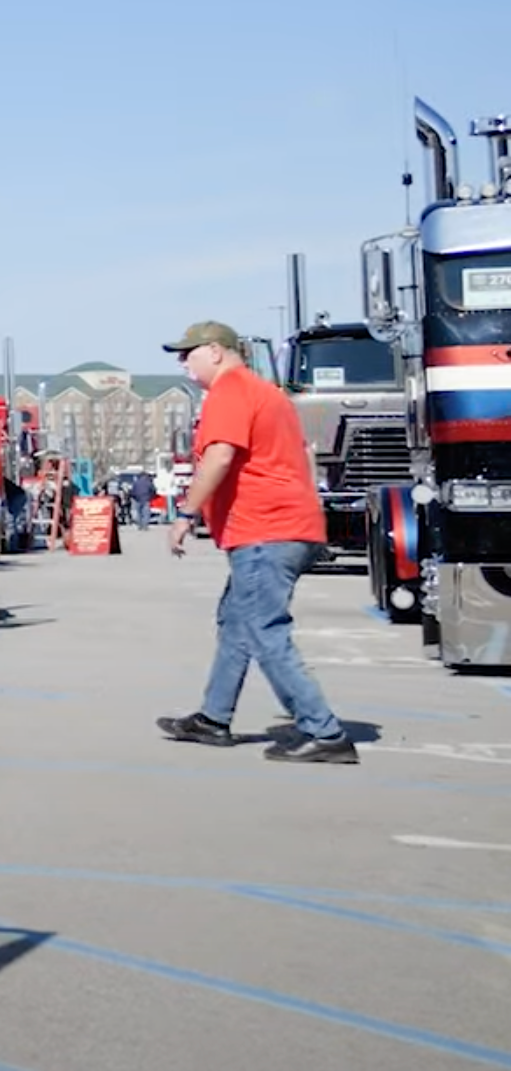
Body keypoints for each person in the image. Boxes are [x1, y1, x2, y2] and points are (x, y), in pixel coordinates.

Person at [154, 320, 352, 764]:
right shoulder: (263, 392)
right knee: (237, 624)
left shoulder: (230, 391)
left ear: (217, 351)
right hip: (279, 528)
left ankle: (324, 731)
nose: (183, 363)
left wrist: (186, 514)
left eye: (189, 353)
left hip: (267, 530)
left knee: (264, 629)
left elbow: (220, 455)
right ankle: (213, 717)